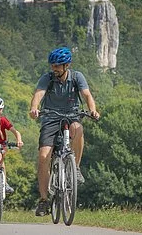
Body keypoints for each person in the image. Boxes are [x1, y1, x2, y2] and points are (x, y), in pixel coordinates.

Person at [29, 46, 100, 217]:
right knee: (43, 157)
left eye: (57, 66)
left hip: (72, 115)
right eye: (52, 65)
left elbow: (87, 95)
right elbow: (38, 94)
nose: (54, 68)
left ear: (66, 66)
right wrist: (34, 108)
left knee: (78, 128)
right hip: (50, 118)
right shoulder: (47, 78)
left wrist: (93, 110)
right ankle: (44, 200)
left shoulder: (77, 77)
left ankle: (75, 167)